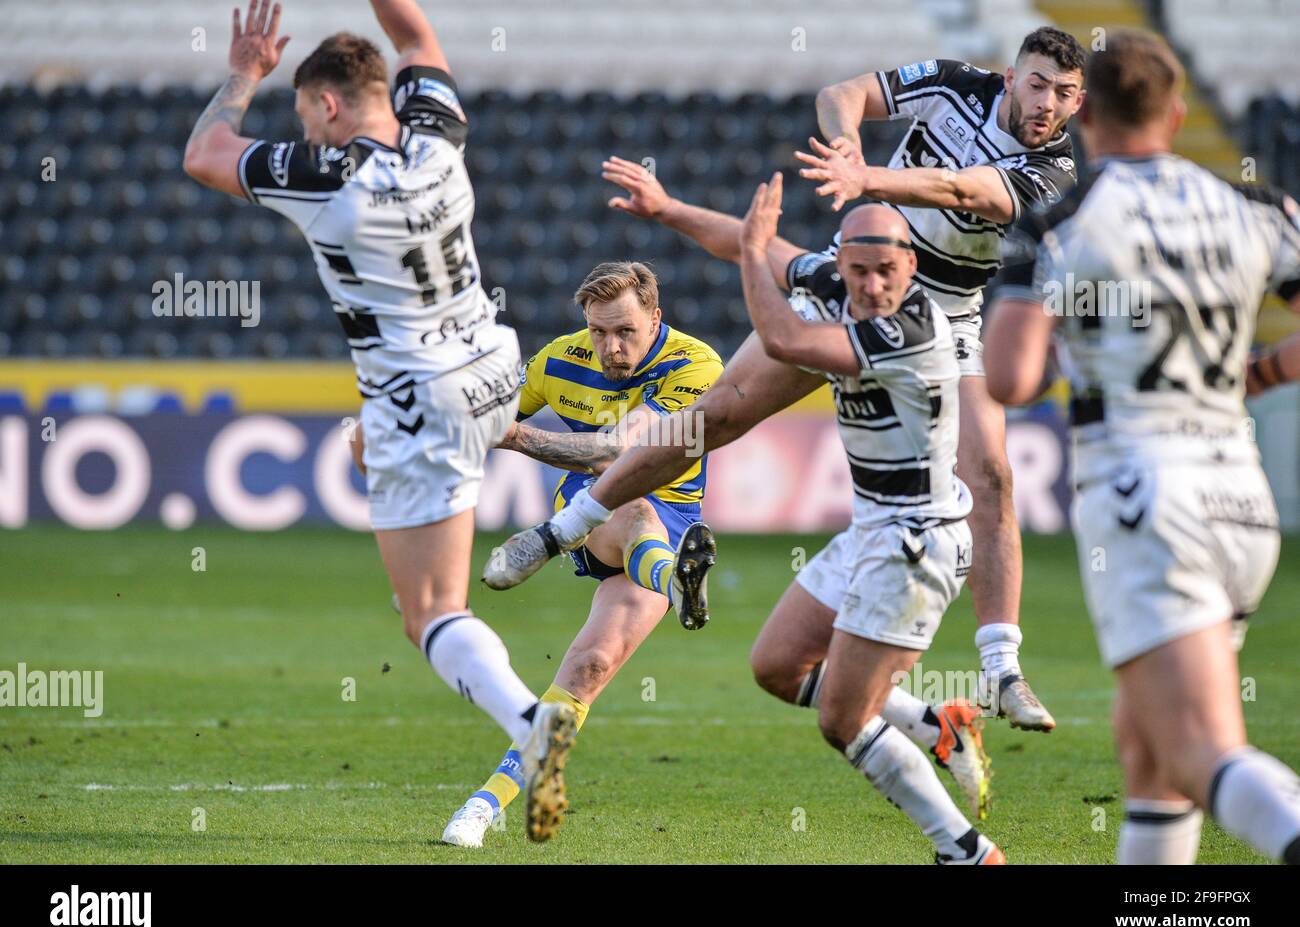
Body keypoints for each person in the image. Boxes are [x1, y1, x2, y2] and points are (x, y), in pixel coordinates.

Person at [182, 0, 573, 842]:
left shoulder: (329, 176)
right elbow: (416, 35)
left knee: (429, 611)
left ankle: (529, 721)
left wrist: (245, 73)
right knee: (385, 455)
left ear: (326, 104)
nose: (307, 131)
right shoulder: (438, 139)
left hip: (423, 397)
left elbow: (204, 155)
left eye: (304, 114)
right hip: (497, 367)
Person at [489, 180, 994, 824]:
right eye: (855, 269)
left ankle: (963, 843)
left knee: (842, 714)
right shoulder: (841, 285)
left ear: (911, 269)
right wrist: (671, 209)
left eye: (883, 271)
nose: (867, 285)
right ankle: (935, 722)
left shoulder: (905, 327)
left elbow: (779, 342)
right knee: (777, 667)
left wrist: (754, 260)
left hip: (919, 536)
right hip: (867, 529)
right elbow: (760, 247)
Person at [984, 29, 1300, 864]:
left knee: (1196, 752)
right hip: (1243, 499)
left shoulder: (1065, 220)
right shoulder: (1259, 207)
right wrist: (1257, 373)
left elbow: (1010, 377)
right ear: (1178, 112)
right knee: (1149, 751)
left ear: (1084, 113)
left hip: (1146, 500)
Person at [797, 26, 1091, 728]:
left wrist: (867, 180)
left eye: (1066, 94)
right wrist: (847, 146)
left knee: (991, 475)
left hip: (949, 315)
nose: (1048, 103)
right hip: (860, 279)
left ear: (1080, 105)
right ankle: (578, 521)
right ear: (1012, 76)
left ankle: (1001, 670)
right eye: (1038, 84)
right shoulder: (956, 82)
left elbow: (960, 187)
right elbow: (839, 93)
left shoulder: (1055, 173)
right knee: (726, 409)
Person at [442, 260, 723, 846]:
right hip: (596, 510)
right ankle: (677, 583)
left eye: (625, 332)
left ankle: (483, 805)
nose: (609, 347)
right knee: (633, 507)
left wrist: (517, 437)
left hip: (674, 517)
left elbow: (625, 448)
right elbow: (483, 417)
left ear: (656, 318)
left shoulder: (696, 364)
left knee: (589, 667)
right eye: (598, 331)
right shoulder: (557, 360)